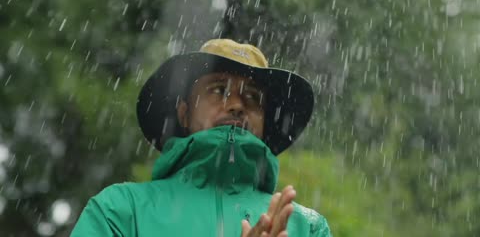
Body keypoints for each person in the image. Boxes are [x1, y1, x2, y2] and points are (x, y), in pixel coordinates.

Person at [71, 39, 332, 237]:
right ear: (184, 113)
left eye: (252, 97)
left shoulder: (307, 227)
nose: (236, 105)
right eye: (219, 90)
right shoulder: (122, 210)